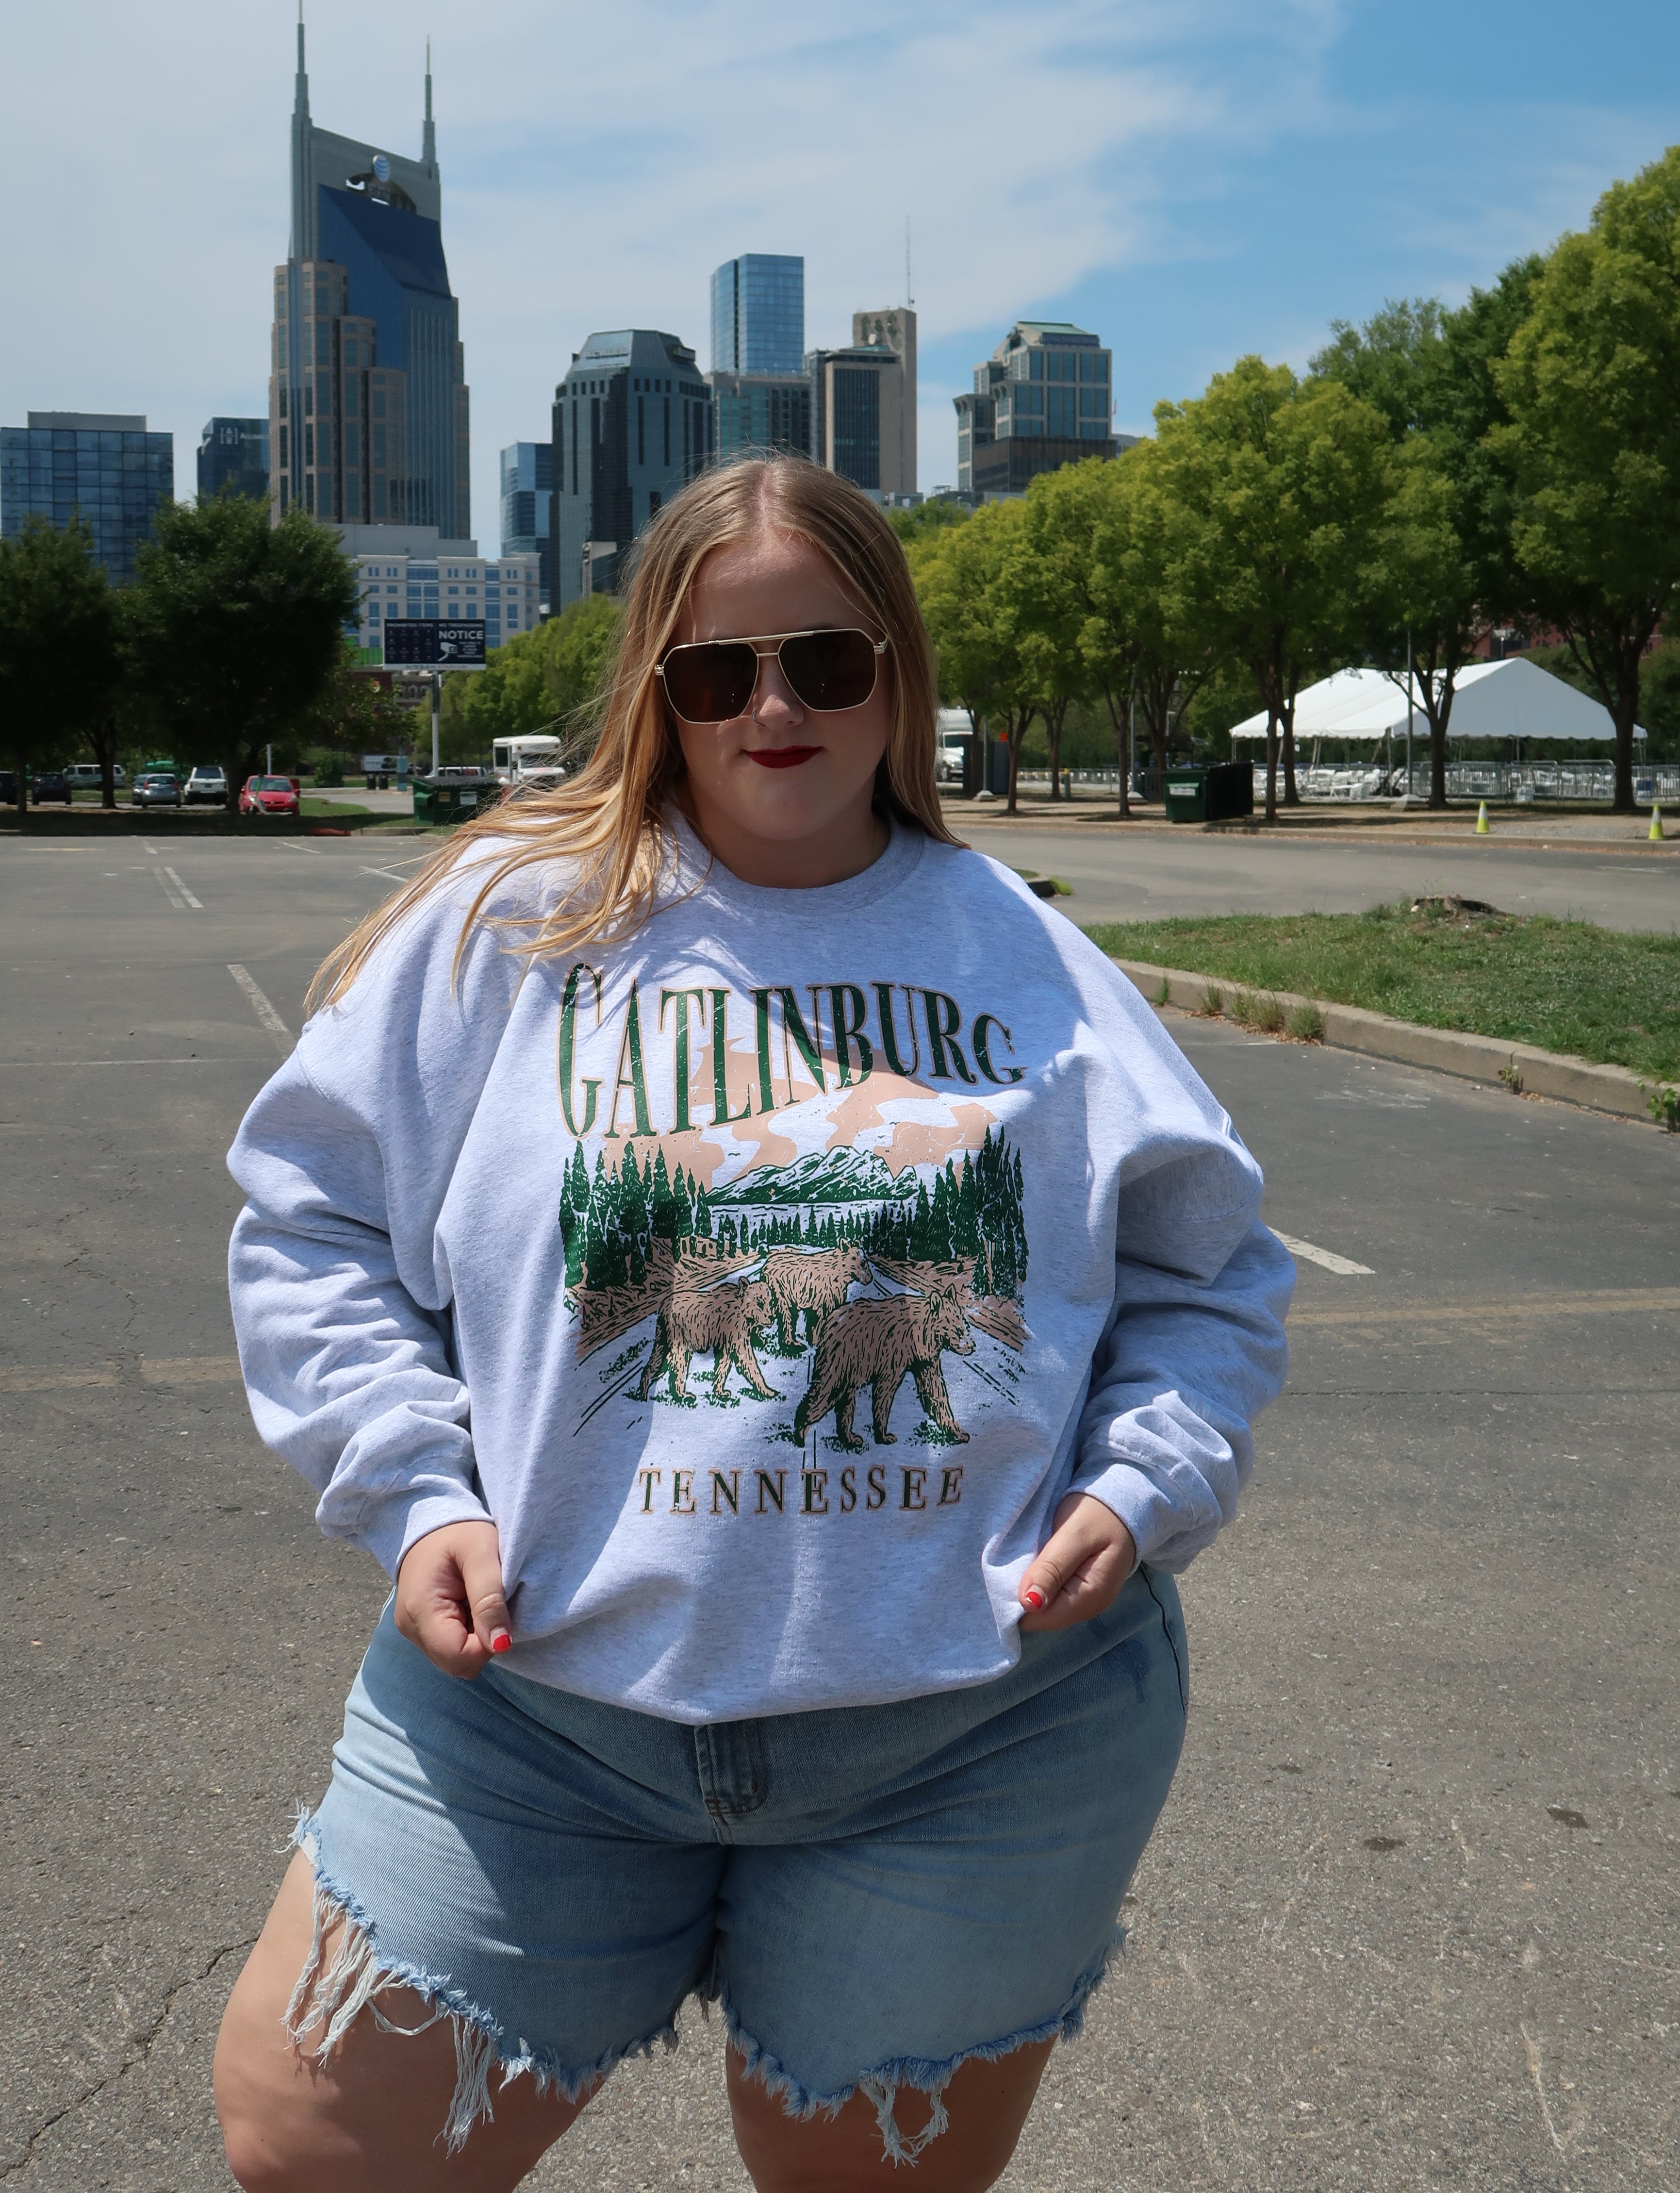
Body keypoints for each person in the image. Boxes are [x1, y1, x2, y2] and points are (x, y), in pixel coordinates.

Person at [212, 457, 1291, 2192]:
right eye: (719, 673)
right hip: (540, 1703)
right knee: (310, 2137)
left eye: (825, 661)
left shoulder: (1023, 948)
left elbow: (1209, 1272)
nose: (773, 706)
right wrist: (418, 1485)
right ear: (659, 689)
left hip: (977, 1727)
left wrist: (1149, 1477)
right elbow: (311, 1215)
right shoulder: (515, 923)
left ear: (898, 674)